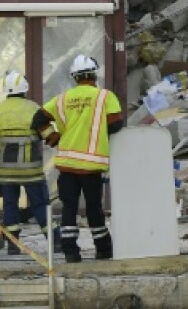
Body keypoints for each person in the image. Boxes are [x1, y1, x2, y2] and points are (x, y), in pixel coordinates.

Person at [31, 55, 123, 262]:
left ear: (75, 77)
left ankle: (70, 253)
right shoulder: (105, 96)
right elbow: (116, 124)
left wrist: (52, 137)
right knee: (94, 209)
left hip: (67, 165)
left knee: (69, 209)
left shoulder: (62, 99)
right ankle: (103, 250)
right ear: (94, 74)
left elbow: (38, 119)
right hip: (91, 166)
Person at [0, 72, 49, 253]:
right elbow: (45, 133)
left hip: (6, 171)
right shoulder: (33, 108)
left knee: (10, 207)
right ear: (25, 89)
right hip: (31, 170)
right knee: (40, 205)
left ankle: (13, 247)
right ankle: (56, 242)